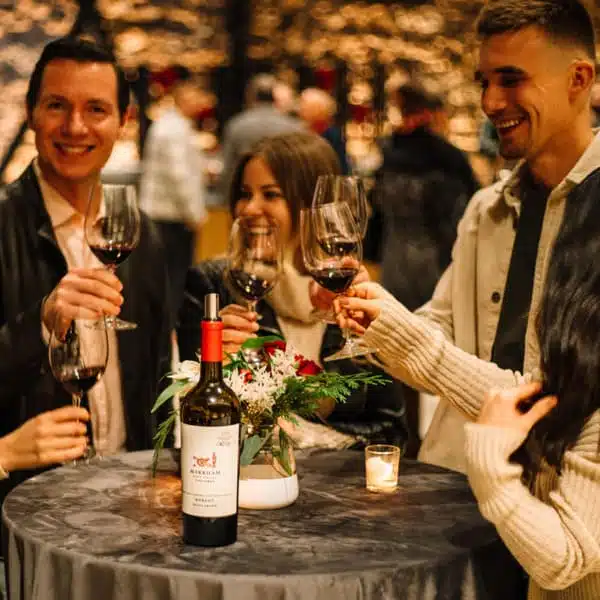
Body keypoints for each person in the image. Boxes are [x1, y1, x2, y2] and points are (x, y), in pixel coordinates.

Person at [316, 0, 600, 597]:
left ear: (580, 79)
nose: (491, 102)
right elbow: (434, 327)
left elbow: (538, 398)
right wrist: (368, 319)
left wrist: (404, 336)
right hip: (457, 506)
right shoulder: (485, 210)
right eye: (484, 81)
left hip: (557, 534)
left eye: (511, 79)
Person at [0, 36, 172, 524]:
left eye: (96, 109)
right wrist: (39, 325)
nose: (74, 127)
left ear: (122, 122)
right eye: (57, 105)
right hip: (28, 513)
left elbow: (156, 376)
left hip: (130, 499)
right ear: (31, 113)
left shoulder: (142, 236)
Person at [178, 131, 407, 450]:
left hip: (343, 492)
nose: (249, 208)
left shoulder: (352, 292)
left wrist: (311, 439)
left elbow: (392, 432)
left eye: (270, 195)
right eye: (245, 194)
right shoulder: (214, 286)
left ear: (313, 206)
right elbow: (194, 421)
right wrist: (219, 366)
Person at [364, 83, 478, 456]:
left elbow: (376, 211)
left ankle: (407, 433)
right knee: (435, 344)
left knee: (398, 342)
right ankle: (436, 438)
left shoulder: (391, 155)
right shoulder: (447, 158)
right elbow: (457, 217)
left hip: (396, 258)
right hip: (432, 260)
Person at [139, 74, 207, 317]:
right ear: (185, 95)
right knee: (172, 281)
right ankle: (169, 337)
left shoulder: (172, 125)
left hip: (166, 215)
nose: (203, 101)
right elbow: (179, 176)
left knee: (167, 280)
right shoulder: (173, 129)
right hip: (169, 217)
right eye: (198, 95)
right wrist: (194, 214)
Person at [220, 73, 303, 203]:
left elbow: (228, 168)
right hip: (284, 199)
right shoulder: (294, 126)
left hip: (245, 197)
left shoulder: (237, 124)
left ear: (252, 95)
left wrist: (227, 201)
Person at [298, 87, 350, 174]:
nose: (301, 109)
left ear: (318, 110)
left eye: (305, 107)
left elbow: (340, 167)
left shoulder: (332, 135)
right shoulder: (300, 131)